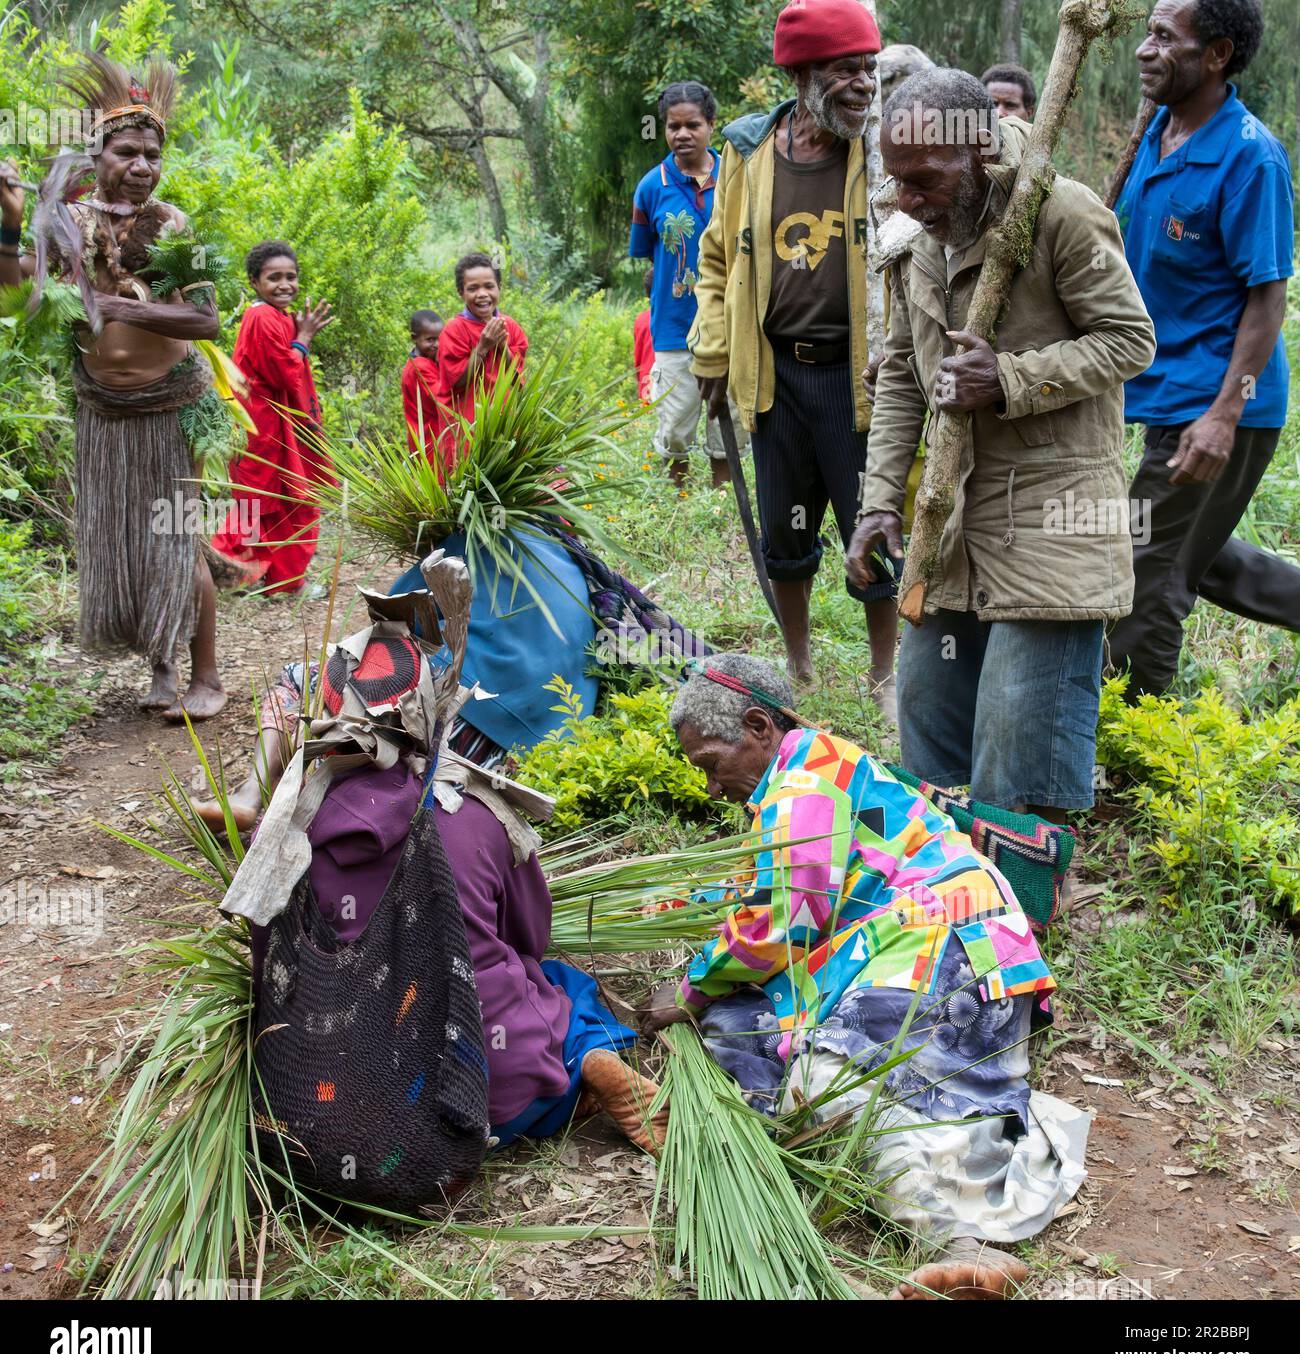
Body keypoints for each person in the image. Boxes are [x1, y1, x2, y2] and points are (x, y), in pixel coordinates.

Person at [642, 654, 1089, 1299]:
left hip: (939, 942)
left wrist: (688, 987)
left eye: (711, 762)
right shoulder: (815, 768)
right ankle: (953, 1234)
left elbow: (783, 919)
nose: (712, 787)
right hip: (960, 952)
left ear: (758, 725)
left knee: (824, 1082)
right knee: (750, 1036)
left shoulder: (804, 783)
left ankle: (954, 1241)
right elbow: (774, 897)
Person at [219, 559, 668, 1157]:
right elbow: (530, 934)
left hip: (355, 1104)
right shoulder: (479, 813)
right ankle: (581, 1066)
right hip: (495, 1094)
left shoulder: (285, 832)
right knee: (559, 983)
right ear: (434, 709)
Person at [847, 69, 1156, 821]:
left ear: (980, 152)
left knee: (1020, 758)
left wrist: (1011, 379)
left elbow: (1130, 340)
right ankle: (944, 911)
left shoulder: (1061, 214)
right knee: (929, 741)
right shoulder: (923, 231)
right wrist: (879, 501)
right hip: (946, 529)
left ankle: (1022, 918)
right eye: (896, 182)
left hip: (1053, 528)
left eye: (923, 181)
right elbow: (903, 379)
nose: (907, 202)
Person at [0, 52, 230, 720]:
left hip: (172, 404)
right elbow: (16, 294)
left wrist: (123, 307)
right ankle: (161, 667)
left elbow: (208, 317)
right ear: (94, 153)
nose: (142, 166)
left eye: (152, 155)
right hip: (102, 408)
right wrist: (14, 214)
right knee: (125, 536)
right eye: (127, 151)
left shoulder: (175, 225)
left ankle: (206, 676)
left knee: (177, 538)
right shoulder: (65, 221)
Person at [688, 0, 899, 716]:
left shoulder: (883, 146)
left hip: (860, 375)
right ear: (805, 76)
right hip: (777, 371)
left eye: (869, 69)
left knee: (873, 518)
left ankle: (884, 673)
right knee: (786, 526)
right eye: (847, 71)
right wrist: (713, 352)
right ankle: (799, 665)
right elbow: (716, 260)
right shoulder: (748, 149)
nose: (864, 84)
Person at [1106, 0, 1297, 699]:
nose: (1144, 50)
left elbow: (1267, 299)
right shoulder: (1155, 130)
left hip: (1221, 407)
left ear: (1216, 54)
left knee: (1143, 571)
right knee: (1191, 551)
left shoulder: (1249, 156)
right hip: (1162, 393)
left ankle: (1136, 746)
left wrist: (1221, 415)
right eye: (1146, 32)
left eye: (1165, 36)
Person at [629, 81, 748, 489]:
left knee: (726, 420)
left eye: (692, 125)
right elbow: (648, 253)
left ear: (711, 124)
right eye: (672, 126)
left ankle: (722, 500)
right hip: (674, 326)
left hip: (731, 322)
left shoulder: (738, 178)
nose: (682, 134)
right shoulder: (651, 187)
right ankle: (676, 501)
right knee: (676, 423)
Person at [210, 240, 333, 595]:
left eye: (291, 277)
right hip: (263, 428)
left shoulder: (277, 316)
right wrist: (305, 338)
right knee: (261, 502)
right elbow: (283, 374)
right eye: (273, 277)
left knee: (281, 502)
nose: (284, 285)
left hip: (276, 427)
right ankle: (226, 570)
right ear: (254, 282)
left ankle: (275, 579)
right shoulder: (262, 316)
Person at [436, 251, 528, 465]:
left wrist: (502, 345)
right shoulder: (454, 330)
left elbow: (518, 381)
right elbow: (456, 382)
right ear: (461, 292)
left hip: (503, 425)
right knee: (465, 487)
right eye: (473, 288)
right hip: (466, 429)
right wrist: (482, 347)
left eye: (489, 286)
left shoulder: (511, 327)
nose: (482, 294)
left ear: (499, 288)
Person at [401, 308, 445, 469]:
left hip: (427, 441)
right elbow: (442, 397)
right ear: (414, 338)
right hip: (430, 442)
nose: (437, 345)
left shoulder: (423, 362)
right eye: (430, 340)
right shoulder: (420, 366)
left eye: (440, 339)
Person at [633, 266, 655, 404]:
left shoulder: (641, 319)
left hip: (645, 383)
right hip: (668, 381)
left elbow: (638, 359)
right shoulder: (674, 320)